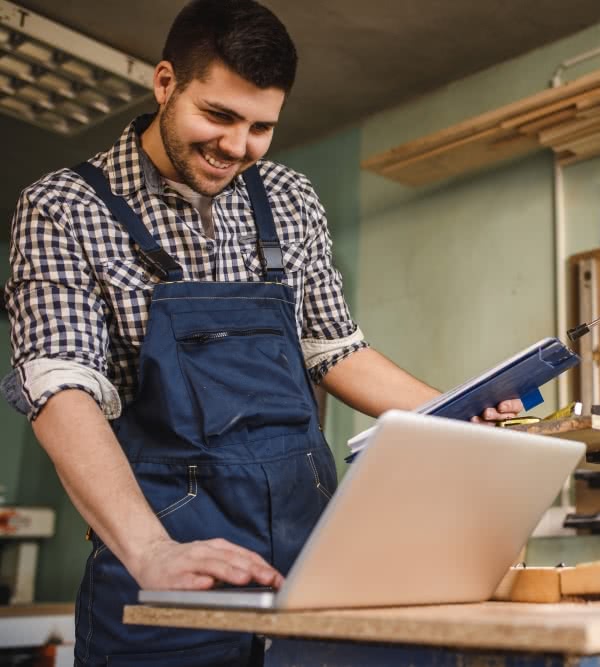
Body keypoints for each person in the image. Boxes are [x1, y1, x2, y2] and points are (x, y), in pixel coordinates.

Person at [3, 1, 521, 664]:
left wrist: (453, 413)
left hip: (310, 562)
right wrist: (151, 548)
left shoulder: (288, 196)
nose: (236, 147)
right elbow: (61, 390)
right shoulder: (62, 207)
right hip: (167, 570)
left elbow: (334, 348)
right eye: (218, 115)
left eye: (260, 127)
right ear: (165, 83)